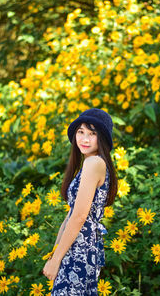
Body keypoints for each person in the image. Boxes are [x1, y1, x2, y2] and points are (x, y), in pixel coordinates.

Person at [43, 108, 118, 295]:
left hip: (80, 249)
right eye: (80, 132)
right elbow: (70, 215)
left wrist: (56, 259)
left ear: (102, 138)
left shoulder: (94, 163)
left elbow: (79, 216)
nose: (84, 139)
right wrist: (54, 255)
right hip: (76, 246)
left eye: (92, 134)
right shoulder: (90, 163)